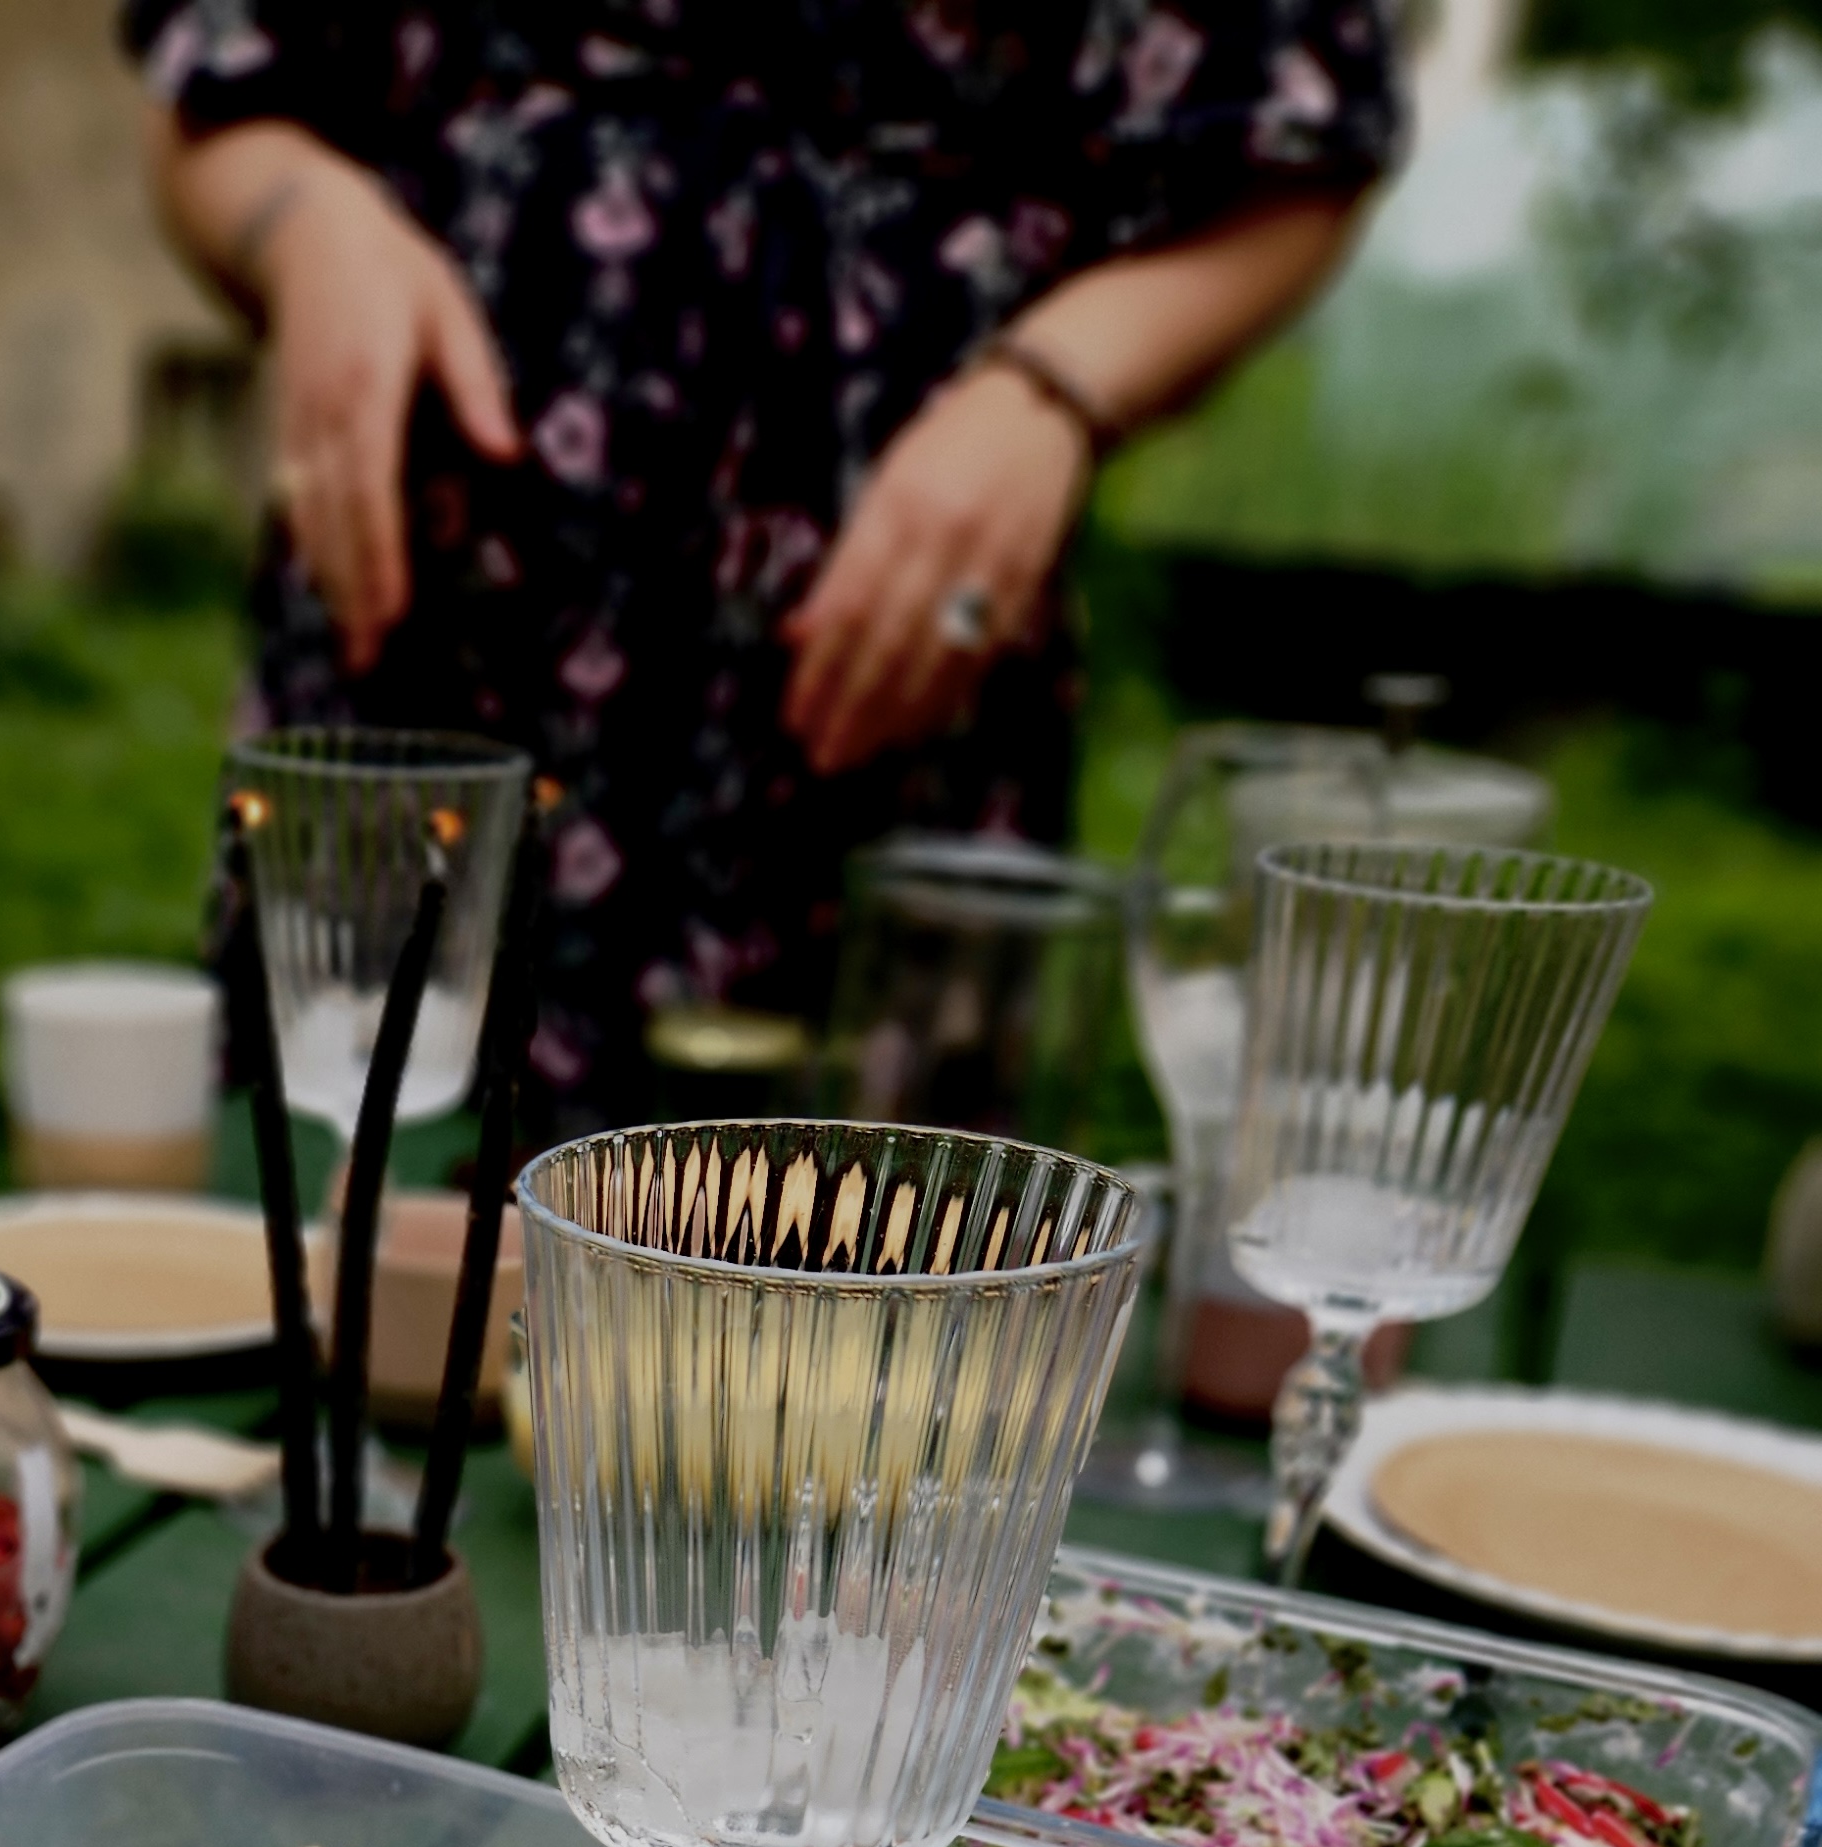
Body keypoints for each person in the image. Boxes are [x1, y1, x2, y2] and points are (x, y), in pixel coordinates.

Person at [129, 0, 1400, 1124]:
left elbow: (1299, 148)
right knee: (338, 1268)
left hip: (880, 688)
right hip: (420, 668)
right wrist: (310, 226)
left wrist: (1057, 390)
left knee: (844, 1323)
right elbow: (214, 90)